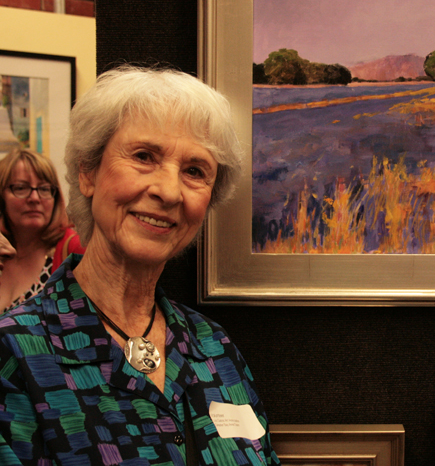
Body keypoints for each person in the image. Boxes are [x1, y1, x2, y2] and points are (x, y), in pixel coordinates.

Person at [0, 66, 280, 466]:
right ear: (87, 172)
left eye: (194, 171)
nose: (169, 191)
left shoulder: (214, 347)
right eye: (144, 157)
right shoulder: (16, 352)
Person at [0, 148, 85, 311]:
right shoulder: (2, 251)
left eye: (44, 189)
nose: (34, 198)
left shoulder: (74, 248)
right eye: (21, 188)